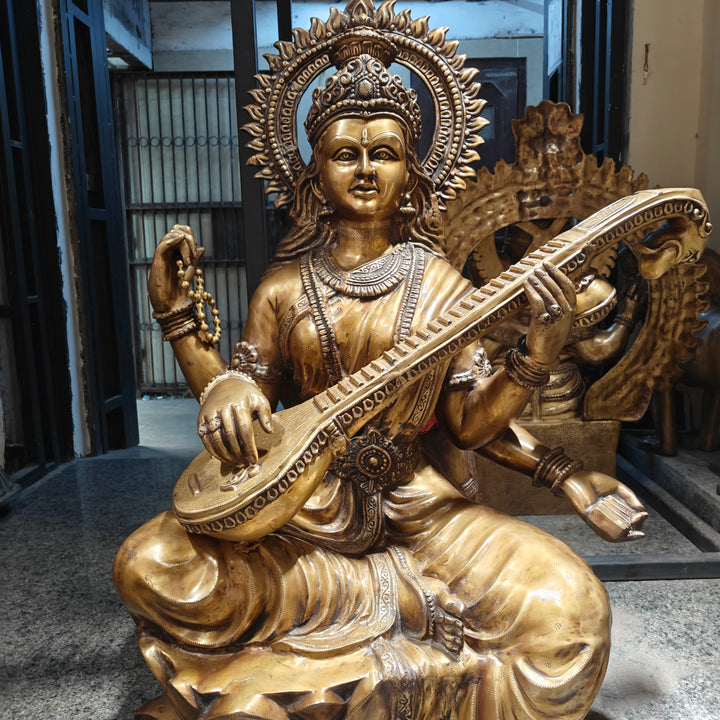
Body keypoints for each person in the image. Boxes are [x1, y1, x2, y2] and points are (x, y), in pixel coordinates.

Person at [114, 3, 647, 718]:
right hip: (305, 518)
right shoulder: (282, 289)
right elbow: (250, 433)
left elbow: (468, 425)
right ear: (314, 172)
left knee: (572, 614)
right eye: (345, 153)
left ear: (412, 171)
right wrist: (189, 337)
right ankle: (401, 622)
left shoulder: (442, 286)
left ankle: (325, 665)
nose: (365, 170)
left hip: (424, 514)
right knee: (149, 565)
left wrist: (539, 357)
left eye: (385, 153)